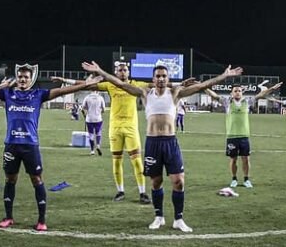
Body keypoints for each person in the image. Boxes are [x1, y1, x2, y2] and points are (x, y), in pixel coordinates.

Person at [83, 61, 243, 233]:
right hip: (152, 143)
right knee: (156, 182)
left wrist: (225, 76)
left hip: (170, 142)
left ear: (168, 79)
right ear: (153, 79)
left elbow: (203, 85)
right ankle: (158, 216)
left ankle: (178, 219)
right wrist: (100, 70)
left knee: (179, 182)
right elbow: (119, 83)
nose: (161, 79)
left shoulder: (175, 93)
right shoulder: (144, 93)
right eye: (158, 76)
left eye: (164, 76)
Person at [0, 63, 102, 231]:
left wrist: (85, 84)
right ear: (17, 78)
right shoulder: (7, 94)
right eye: (20, 77)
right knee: (10, 180)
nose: (23, 79)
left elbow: (62, 91)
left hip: (30, 146)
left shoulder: (38, 94)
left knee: (37, 180)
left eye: (26, 77)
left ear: (31, 79)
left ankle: (41, 220)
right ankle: (8, 217)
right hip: (12, 145)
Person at [53, 63, 152, 204]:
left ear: (128, 72)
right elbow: (86, 85)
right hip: (115, 128)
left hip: (131, 128)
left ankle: (142, 193)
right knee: (116, 161)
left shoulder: (137, 84)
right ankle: (120, 191)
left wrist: (180, 85)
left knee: (137, 161)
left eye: (125, 70)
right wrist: (64, 80)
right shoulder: (110, 85)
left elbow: (158, 84)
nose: (122, 72)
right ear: (116, 73)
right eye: (119, 70)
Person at [204, 81, 282, 189]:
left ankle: (246, 179)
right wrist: (203, 87)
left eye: (239, 91)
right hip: (232, 136)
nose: (237, 92)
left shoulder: (247, 102)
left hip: (244, 136)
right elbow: (214, 96)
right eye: (235, 91)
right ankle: (234, 179)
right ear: (231, 93)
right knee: (233, 159)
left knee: (246, 159)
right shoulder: (227, 102)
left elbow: (261, 95)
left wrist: (272, 89)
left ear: (242, 92)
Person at [81, 87, 106, 155]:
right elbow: (103, 109)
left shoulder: (87, 97)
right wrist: (100, 112)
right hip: (98, 118)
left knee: (91, 135)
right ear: (97, 91)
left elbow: (83, 108)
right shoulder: (100, 98)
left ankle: (92, 150)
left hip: (89, 119)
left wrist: (85, 115)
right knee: (98, 133)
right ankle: (98, 145)